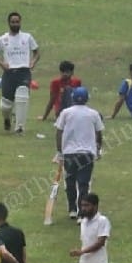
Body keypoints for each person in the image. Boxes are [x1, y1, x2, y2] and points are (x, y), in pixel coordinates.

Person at [55, 86, 103, 220]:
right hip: (87, 153)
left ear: (73, 98)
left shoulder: (66, 112)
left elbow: (59, 132)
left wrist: (59, 151)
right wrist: (98, 149)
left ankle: (72, 209)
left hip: (69, 153)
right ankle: (82, 212)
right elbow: (99, 133)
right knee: (83, 183)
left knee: (70, 182)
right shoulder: (94, 113)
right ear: (87, 99)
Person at [0, 11, 40, 134]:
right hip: (9, 72)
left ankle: (20, 128)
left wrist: (32, 62)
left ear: (20, 22)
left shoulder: (27, 37)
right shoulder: (2, 39)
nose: (15, 24)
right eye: (13, 22)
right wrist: (2, 64)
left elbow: (37, 52)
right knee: (6, 104)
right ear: (9, 23)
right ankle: (7, 118)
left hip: (24, 71)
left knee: (23, 95)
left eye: (17, 22)